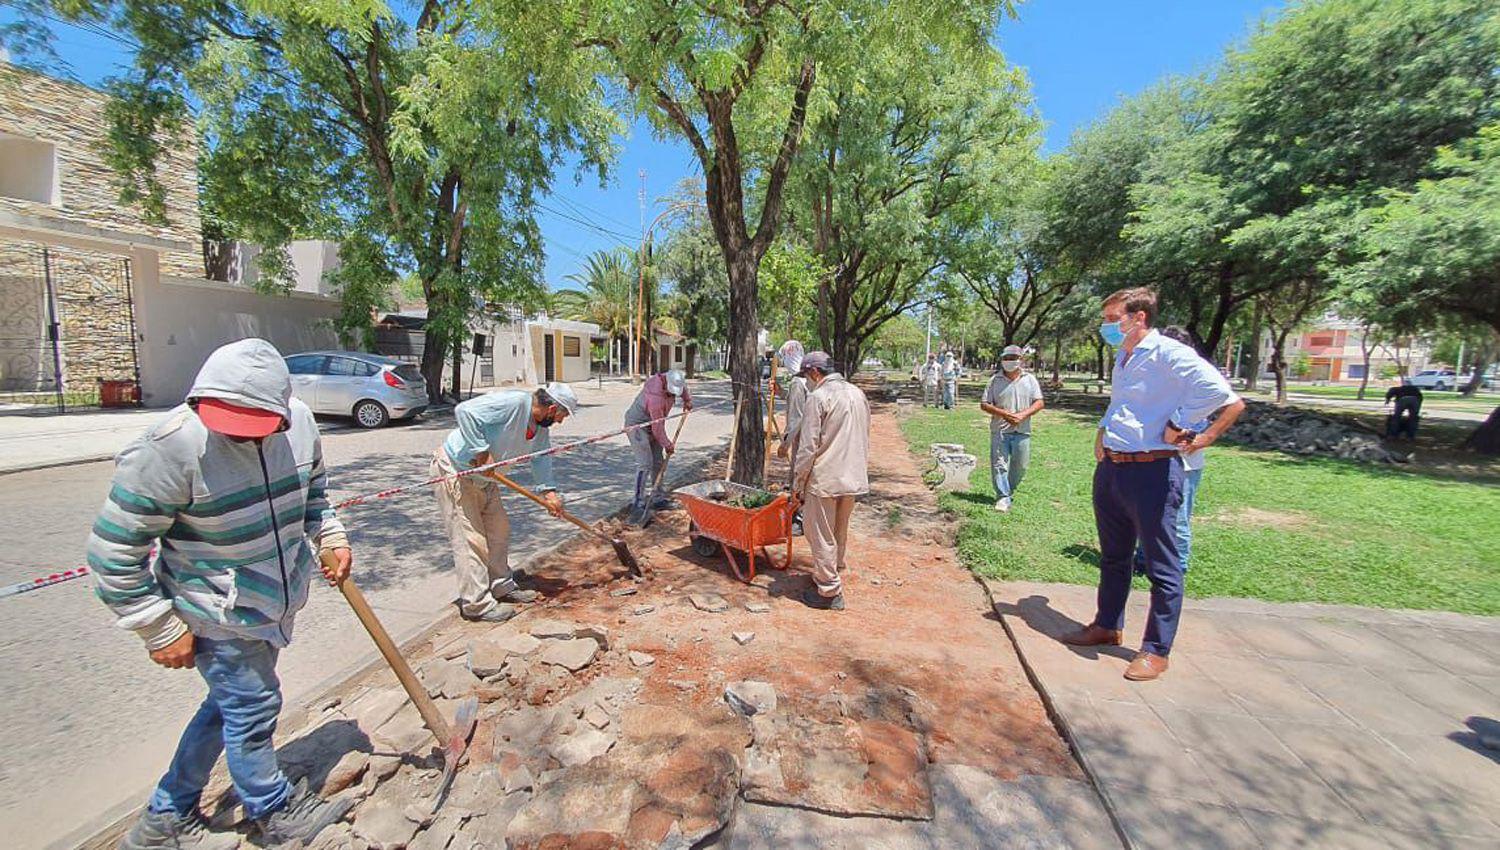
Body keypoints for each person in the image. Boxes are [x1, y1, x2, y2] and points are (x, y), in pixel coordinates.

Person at [90, 339, 354, 849]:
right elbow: (113, 552)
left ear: (281, 411)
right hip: (214, 609)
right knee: (253, 706)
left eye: (256, 424)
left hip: (272, 603)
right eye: (229, 422)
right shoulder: (168, 448)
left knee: (227, 706)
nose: (240, 434)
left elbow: (316, 495)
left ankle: (166, 815)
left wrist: (330, 536)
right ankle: (274, 810)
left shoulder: (301, 425)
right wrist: (158, 627)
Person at [1063, 288, 1244, 682]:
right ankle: (1107, 625)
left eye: (1113, 319)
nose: (1107, 327)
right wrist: (1103, 430)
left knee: (1162, 565)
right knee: (1114, 556)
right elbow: (1122, 404)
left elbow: (1222, 396)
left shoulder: (1168, 353)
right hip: (1113, 469)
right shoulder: (1124, 357)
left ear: (1139, 317)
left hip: (1153, 472)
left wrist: (1188, 427)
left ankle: (1156, 650)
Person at [433, 383, 577, 622]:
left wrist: (549, 492)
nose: (560, 421)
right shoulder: (515, 402)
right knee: (471, 541)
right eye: (562, 415)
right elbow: (464, 411)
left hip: (487, 479)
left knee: (499, 531)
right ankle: (477, 604)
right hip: (457, 472)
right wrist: (481, 450)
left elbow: (540, 458)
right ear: (552, 408)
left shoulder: (540, 428)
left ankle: (501, 586)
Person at [792, 352, 871, 610]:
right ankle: (833, 568)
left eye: (807, 376)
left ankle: (829, 590)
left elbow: (808, 447)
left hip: (825, 478)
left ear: (815, 373)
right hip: (852, 476)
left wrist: (798, 482)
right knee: (839, 528)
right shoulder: (857, 393)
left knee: (820, 534)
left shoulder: (818, 397)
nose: (807, 381)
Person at [1133, 327, 1211, 575]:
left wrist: (1176, 433)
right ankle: (1143, 560)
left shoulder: (1193, 384)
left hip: (1184, 464)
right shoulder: (1156, 382)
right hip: (1151, 459)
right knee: (1146, 512)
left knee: (1178, 517)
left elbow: (1196, 428)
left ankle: (1178, 564)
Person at [980, 345, 1044, 513]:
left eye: (1013, 358)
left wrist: (1023, 415)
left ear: (1020, 360)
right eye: (1006, 358)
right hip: (1000, 430)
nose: (1009, 361)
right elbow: (984, 404)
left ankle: (1008, 490)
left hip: (1022, 430)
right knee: (999, 464)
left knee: (1021, 465)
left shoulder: (1030, 379)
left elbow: (1039, 402)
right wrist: (1004, 414)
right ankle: (1002, 496)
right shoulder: (995, 380)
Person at [626, 369, 693, 523]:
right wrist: (668, 445)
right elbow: (658, 429)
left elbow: (682, 387)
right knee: (645, 463)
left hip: (654, 425)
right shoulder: (655, 398)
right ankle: (637, 502)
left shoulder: (673, 379)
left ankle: (658, 498)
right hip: (638, 426)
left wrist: (687, 400)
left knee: (658, 462)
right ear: (666, 383)